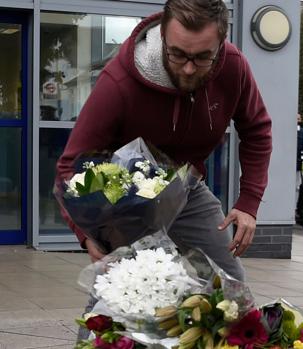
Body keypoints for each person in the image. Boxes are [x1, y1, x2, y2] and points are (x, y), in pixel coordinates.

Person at [57, 0, 271, 284]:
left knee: (228, 282)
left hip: (187, 187)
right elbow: (69, 166)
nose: (189, 69)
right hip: (126, 199)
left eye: (203, 57)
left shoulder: (234, 68)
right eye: (178, 55)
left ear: (221, 43)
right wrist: (86, 235)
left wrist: (248, 203)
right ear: (163, 38)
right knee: (124, 293)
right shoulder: (120, 82)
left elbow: (257, 129)